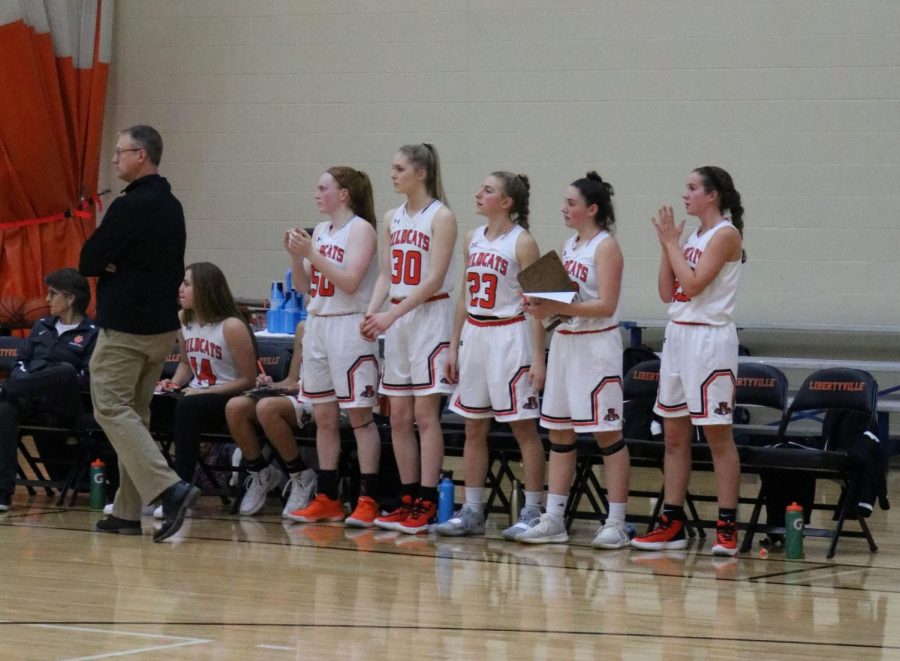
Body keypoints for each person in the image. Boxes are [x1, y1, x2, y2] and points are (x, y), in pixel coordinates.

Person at [79, 124, 197, 542]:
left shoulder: (129, 206)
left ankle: (170, 488)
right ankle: (127, 512)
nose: (114, 159)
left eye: (120, 151)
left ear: (141, 155)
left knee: (110, 408)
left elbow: (89, 258)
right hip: (161, 329)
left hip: (125, 328)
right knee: (136, 416)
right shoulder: (172, 205)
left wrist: (113, 262)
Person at [631, 166, 745, 557]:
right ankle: (672, 521)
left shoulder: (725, 235)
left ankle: (727, 525)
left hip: (710, 342)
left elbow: (695, 285)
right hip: (679, 337)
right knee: (674, 436)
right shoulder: (694, 237)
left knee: (717, 436)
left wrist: (671, 245)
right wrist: (669, 246)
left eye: (693, 188)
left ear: (712, 195)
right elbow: (669, 292)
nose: (685, 194)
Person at [518, 172, 632, 548]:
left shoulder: (606, 246)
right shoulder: (569, 246)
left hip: (596, 348)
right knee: (559, 433)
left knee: (607, 434)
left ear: (592, 209)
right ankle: (554, 518)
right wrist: (541, 305)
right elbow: (568, 304)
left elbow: (607, 305)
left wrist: (556, 303)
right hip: (567, 342)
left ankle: (616, 522)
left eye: (571, 203)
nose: (564, 208)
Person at [434, 172, 546, 539]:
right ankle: (472, 509)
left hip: (510, 335)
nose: (478, 193)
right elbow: (464, 297)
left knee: (522, 427)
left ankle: (532, 510)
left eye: (488, 190)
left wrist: (539, 358)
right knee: (473, 426)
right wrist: (453, 345)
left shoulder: (524, 242)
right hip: (475, 336)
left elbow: (539, 304)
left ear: (507, 202)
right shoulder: (472, 238)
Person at [275, 167, 381, 527]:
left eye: (323, 188)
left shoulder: (362, 229)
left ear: (344, 193)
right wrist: (295, 255)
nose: (316, 194)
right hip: (318, 325)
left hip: (350, 325)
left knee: (360, 417)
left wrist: (312, 253)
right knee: (323, 418)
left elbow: (350, 281)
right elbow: (304, 285)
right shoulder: (321, 231)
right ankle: (328, 496)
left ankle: (367, 498)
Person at [360, 143, 457, 534]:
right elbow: (386, 273)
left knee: (423, 414)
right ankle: (406, 498)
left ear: (421, 173)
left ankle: (428, 501)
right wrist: (371, 309)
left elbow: (434, 278)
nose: (393, 174)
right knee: (397, 415)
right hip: (397, 317)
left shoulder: (442, 217)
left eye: (399, 168)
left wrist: (390, 314)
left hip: (430, 316)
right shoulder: (391, 217)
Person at [154, 262, 258, 516]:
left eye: (187, 284)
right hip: (195, 395)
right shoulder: (183, 319)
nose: (180, 289)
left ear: (206, 288)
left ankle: (182, 493)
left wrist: (202, 393)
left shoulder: (232, 325)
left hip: (228, 397)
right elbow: (186, 363)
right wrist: (173, 383)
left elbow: (249, 380)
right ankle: (144, 491)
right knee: (149, 403)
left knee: (188, 406)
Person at [0, 269, 98, 511]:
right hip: (29, 396)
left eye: (53, 294)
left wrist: (26, 382)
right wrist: (25, 379)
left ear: (71, 298)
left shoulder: (93, 333)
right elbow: (20, 361)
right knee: (3, 409)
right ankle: (2, 494)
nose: (47, 299)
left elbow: (86, 377)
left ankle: (4, 390)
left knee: (63, 371)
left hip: (64, 402)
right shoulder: (41, 325)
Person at [224, 322, 317, 518]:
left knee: (267, 408)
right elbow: (292, 379)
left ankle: (300, 474)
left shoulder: (343, 323)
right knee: (235, 407)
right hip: (297, 395)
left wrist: (301, 388)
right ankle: (260, 471)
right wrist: (272, 385)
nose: (309, 296)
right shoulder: (302, 327)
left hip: (322, 400)